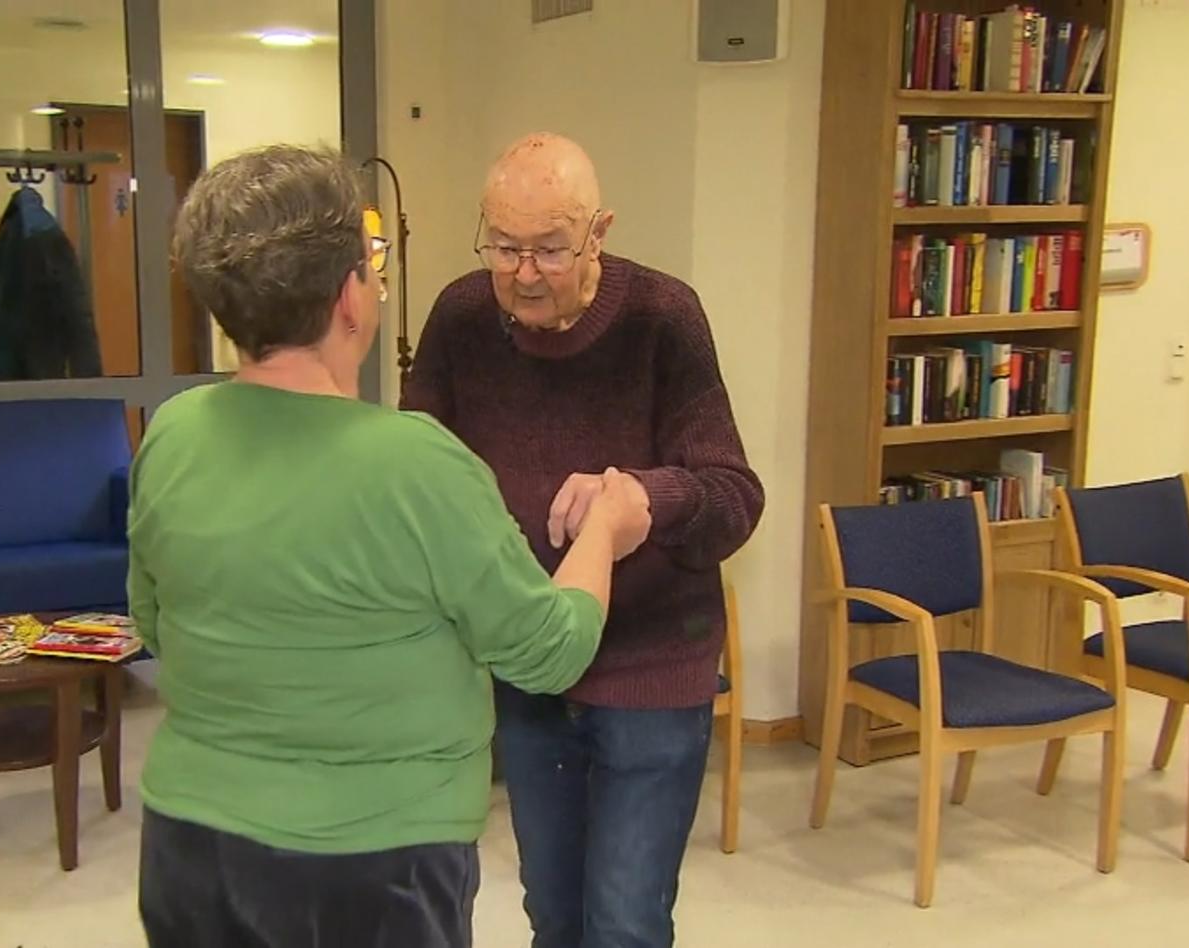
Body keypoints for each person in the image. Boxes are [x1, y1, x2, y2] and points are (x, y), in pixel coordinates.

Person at [128, 144, 653, 948]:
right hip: (373, 868)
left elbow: (155, 624)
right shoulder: (417, 464)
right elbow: (548, 651)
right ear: (350, 296)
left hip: (190, 847)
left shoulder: (171, 433)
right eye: (372, 261)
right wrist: (607, 526)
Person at [402, 133, 765, 948]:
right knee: (555, 916)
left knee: (627, 924)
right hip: (528, 666)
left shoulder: (663, 318)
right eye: (503, 246)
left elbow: (735, 495)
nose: (522, 273)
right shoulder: (463, 315)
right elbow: (415, 471)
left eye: (549, 250)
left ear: (599, 231)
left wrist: (645, 496)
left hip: (649, 667)